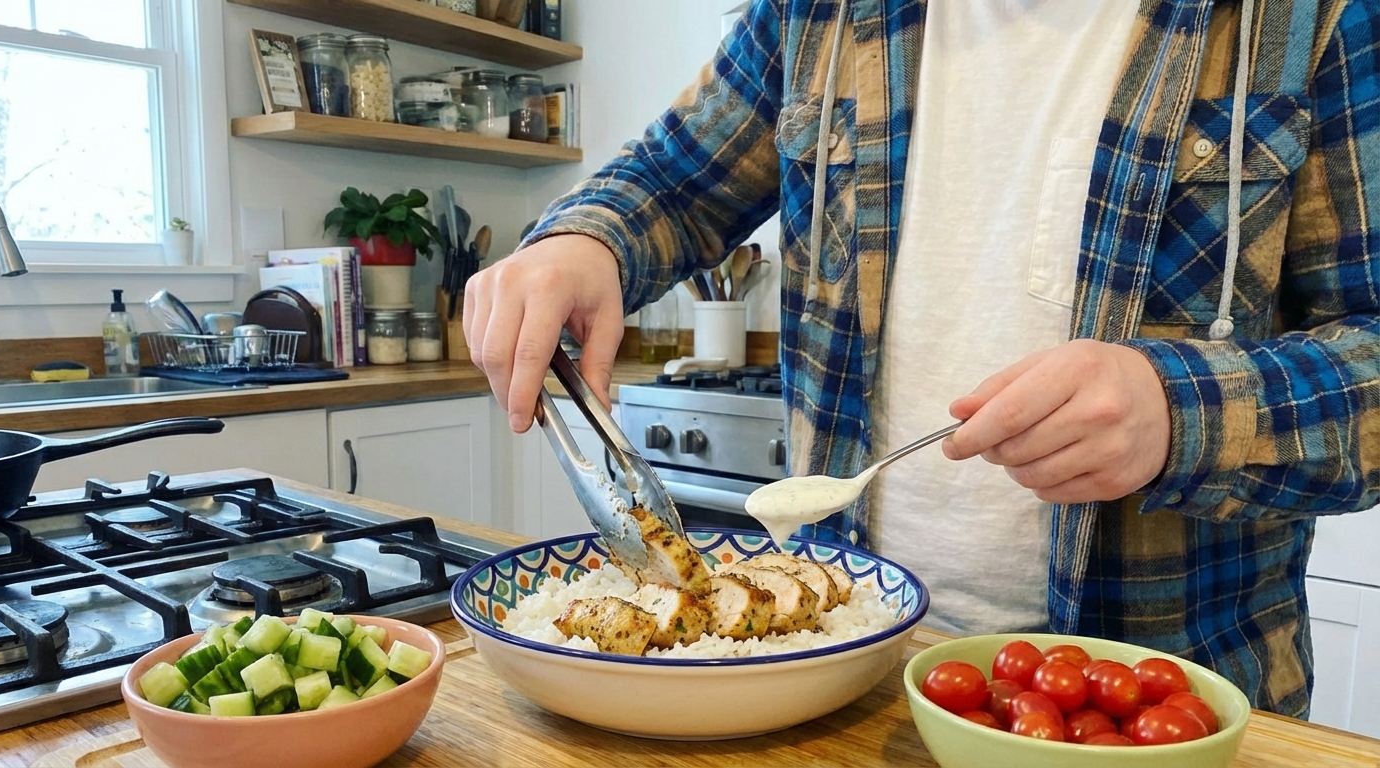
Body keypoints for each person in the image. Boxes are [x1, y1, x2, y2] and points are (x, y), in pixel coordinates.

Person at [464, 0, 1380, 718]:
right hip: (837, 680)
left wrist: (1180, 412)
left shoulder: (1307, 22)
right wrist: (581, 242)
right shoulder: (816, 13)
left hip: (1152, 701)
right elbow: (669, 185)